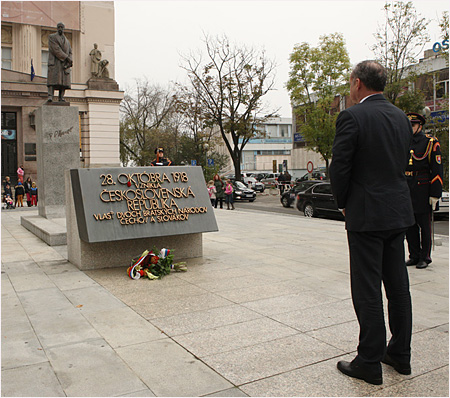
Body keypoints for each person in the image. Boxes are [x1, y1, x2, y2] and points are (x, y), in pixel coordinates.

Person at [329, 60, 415, 386]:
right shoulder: (400, 117)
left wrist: (343, 203)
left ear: (358, 84)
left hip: (366, 214)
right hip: (398, 212)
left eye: (351, 82)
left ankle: (369, 361)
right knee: (398, 287)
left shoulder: (352, 116)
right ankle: (400, 354)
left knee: (367, 289)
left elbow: (341, 168)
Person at [404, 112, 443, 269]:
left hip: (423, 187)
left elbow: (437, 169)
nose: (410, 128)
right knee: (409, 225)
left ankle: (425, 257)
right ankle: (413, 255)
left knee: (424, 226)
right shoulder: (404, 141)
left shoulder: (430, 142)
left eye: (413, 125)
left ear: (420, 126)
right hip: (407, 186)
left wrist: (435, 193)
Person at [47, 22, 73, 102]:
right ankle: (50, 96)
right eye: (59, 27)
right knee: (52, 80)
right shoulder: (52, 37)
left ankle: (61, 97)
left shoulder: (67, 41)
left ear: (64, 28)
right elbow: (56, 49)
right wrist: (67, 58)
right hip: (55, 62)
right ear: (57, 28)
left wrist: (70, 61)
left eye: (62, 27)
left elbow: (70, 52)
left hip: (64, 64)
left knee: (63, 82)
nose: (60, 29)